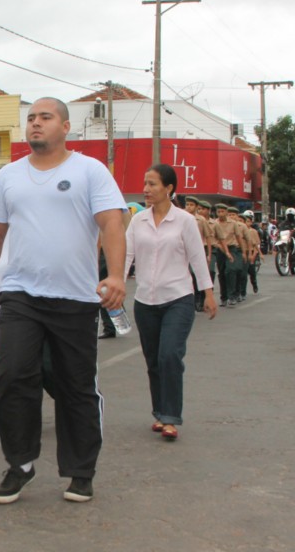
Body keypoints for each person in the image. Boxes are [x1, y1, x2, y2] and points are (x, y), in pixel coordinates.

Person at [0, 97, 126, 505]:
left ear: (66, 126)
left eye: (45, 117)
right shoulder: (8, 176)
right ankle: (19, 465)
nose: (35, 124)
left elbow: (111, 223)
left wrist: (115, 275)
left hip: (75, 296)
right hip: (21, 294)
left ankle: (80, 470)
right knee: (13, 376)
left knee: (75, 386)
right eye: (31, 118)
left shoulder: (90, 170)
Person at [125, 165, 217, 442]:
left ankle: (171, 417)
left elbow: (197, 258)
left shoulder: (185, 221)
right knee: (153, 360)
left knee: (169, 356)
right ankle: (160, 412)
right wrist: (115, 281)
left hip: (178, 298)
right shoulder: (137, 221)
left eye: (152, 184)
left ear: (169, 189)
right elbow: (127, 254)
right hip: (145, 301)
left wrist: (208, 292)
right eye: (145, 183)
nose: (146, 189)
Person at [212, 204, 246, 307]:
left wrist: (243, 252)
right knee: (221, 273)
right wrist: (220, 247)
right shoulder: (214, 223)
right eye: (219, 212)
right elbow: (213, 239)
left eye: (223, 211)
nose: (221, 214)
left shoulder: (233, 223)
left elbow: (239, 238)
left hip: (232, 249)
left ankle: (232, 296)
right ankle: (224, 297)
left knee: (230, 271)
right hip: (220, 250)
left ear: (226, 212)